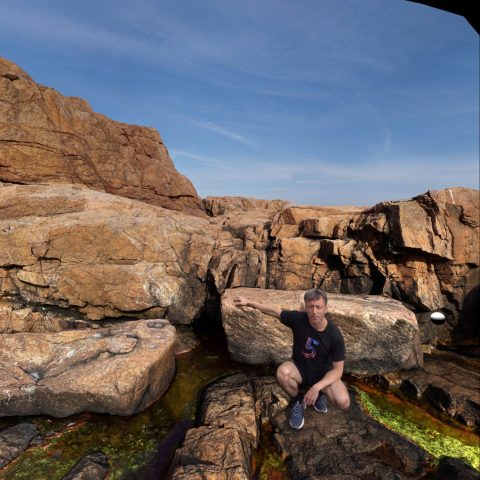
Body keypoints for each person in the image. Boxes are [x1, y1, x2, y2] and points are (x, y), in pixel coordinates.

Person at [234, 288, 350, 429]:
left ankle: (319, 395)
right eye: (310, 306)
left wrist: (316, 387)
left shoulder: (334, 334)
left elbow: (338, 371)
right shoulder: (299, 319)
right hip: (300, 369)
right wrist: (248, 302)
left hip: (322, 375)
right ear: (305, 307)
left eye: (318, 307)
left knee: (344, 402)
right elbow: (274, 311)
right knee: (282, 373)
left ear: (325, 308)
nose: (314, 311)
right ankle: (298, 400)